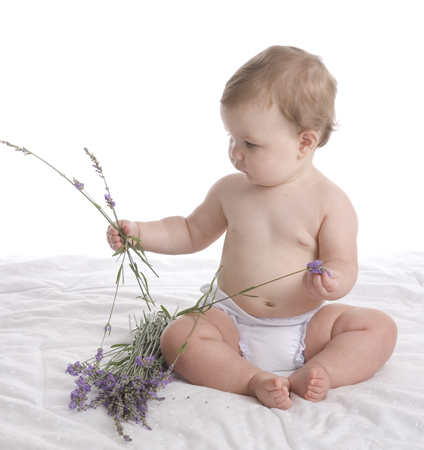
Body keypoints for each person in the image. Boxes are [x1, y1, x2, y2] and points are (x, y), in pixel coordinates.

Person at [106, 46, 397, 409]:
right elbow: (189, 231)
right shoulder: (231, 191)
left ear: (304, 142)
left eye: (250, 143)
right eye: (231, 137)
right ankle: (250, 379)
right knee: (178, 336)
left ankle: (322, 370)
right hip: (233, 321)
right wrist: (140, 233)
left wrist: (333, 279)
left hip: (307, 326)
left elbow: (344, 263)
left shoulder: (331, 202)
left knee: (378, 328)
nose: (235, 152)